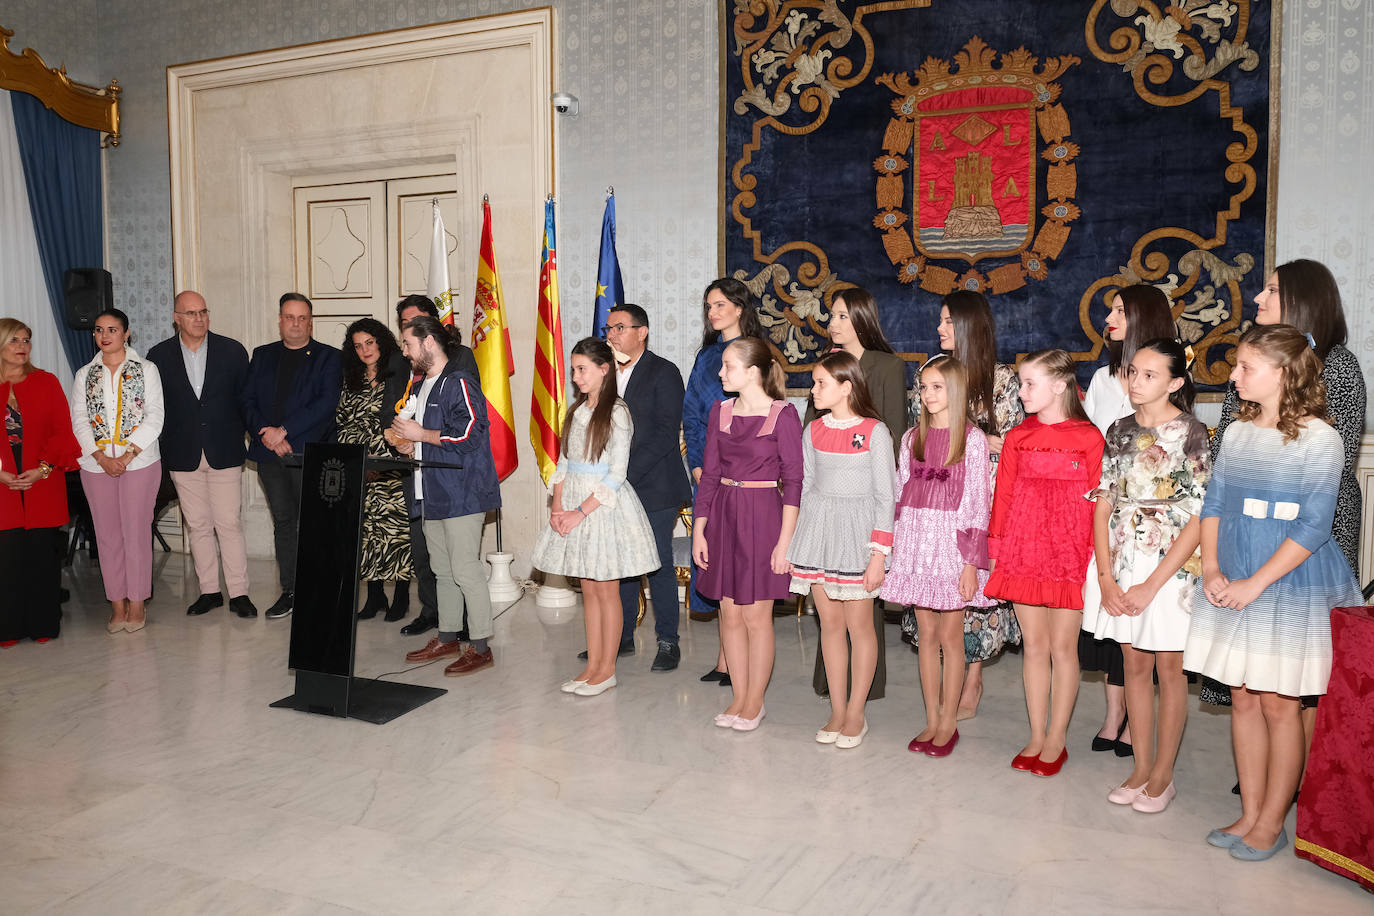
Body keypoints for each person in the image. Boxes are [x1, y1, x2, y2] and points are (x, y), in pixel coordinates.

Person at [1184, 324, 1361, 861]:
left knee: (1280, 702)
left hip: (1286, 578)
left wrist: (1255, 583)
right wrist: (1212, 568)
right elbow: (1213, 504)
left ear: (1283, 373)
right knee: (1242, 696)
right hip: (1232, 565)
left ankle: (1272, 820)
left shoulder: (1320, 438)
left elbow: (1313, 527)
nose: (1233, 376)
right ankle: (1250, 809)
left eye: (1245, 367)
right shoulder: (1235, 432)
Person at [1082, 339, 1210, 813]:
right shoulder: (1118, 430)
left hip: (1170, 566)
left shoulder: (1193, 434)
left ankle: (1162, 775)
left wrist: (1151, 584)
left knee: (1169, 670)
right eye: (1133, 372)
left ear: (1176, 382)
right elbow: (1103, 502)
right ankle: (1139, 765)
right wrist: (1107, 578)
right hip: (1122, 558)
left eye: (1149, 375)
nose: (1136, 382)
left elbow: (1199, 515)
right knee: (1132, 662)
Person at [985, 349, 1104, 777]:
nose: (1021, 391)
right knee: (1033, 648)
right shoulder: (1018, 437)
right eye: (1020, 383)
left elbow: (1099, 506)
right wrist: (996, 549)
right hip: (1024, 550)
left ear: (1060, 386)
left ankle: (1057, 737)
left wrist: (1095, 561)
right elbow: (1004, 498)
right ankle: (1036, 734)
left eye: (1029, 383)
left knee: (1062, 649)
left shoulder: (1090, 439)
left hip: (1071, 555)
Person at [1079, 284, 1178, 758]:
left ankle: (1140, 724)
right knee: (1108, 618)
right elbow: (1094, 445)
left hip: (1151, 528)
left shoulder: (1173, 383)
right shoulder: (1101, 379)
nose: (1109, 319)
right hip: (1102, 512)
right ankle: (1115, 713)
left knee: (1145, 628)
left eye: (1120, 311)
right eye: (1110, 311)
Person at [532, 338, 660, 696]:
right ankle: (591, 666)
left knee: (606, 591)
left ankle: (607, 669)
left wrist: (578, 512)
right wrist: (558, 507)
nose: (576, 376)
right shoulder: (576, 411)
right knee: (587, 590)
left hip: (600, 507)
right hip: (572, 501)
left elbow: (616, 474)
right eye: (574, 370)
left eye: (582, 369)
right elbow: (563, 464)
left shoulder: (617, 412)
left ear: (604, 369)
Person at [882, 355, 993, 758]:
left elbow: (979, 503)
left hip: (951, 548)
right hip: (916, 545)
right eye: (923, 387)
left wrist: (970, 563)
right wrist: (892, 549)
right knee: (924, 635)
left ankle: (949, 720)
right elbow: (899, 496)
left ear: (956, 390)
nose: (928, 395)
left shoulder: (973, 440)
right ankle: (930, 718)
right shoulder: (912, 438)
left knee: (951, 635)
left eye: (937, 387)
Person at [692, 337, 803, 731]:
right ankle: (738, 696)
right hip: (724, 516)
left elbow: (794, 482)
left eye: (727, 366)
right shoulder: (719, 412)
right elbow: (708, 478)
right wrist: (699, 531)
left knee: (757, 616)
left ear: (753, 372)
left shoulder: (784, 414)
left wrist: (785, 542)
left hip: (764, 519)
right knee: (730, 614)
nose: (720, 373)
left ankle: (755, 701)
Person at [805, 287, 908, 705]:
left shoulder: (886, 365)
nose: (834, 322)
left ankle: (862, 695)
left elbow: (895, 431)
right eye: (833, 315)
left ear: (861, 318)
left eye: (843, 315)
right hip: (828, 502)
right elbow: (813, 434)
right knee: (831, 614)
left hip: (866, 494)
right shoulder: (825, 372)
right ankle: (833, 687)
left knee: (862, 615)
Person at [788, 351, 896, 748]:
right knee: (829, 626)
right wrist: (799, 540)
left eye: (821, 383)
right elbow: (809, 485)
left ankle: (856, 711)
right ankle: (836, 708)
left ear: (846, 386)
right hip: (821, 536)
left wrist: (879, 554)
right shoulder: (813, 430)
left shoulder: (874, 431)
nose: (813, 390)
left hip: (859, 539)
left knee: (860, 627)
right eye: (814, 383)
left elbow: (887, 496)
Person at [927, 290, 1024, 719]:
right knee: (942, 588)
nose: (940, 328)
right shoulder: (932, 373)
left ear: (968, 326)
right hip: (936, 498)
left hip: (982, 496)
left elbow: (1017, 445)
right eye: (941, 320)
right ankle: (946, 674)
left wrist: (979, 440)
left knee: (972, 588)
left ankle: (972, 675)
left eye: (948, 321)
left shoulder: (1001, 380)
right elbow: (922, 434)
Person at [392, 315, 501, 676]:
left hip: (461, 492)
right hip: (431, 491)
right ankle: (448, 636)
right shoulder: (423, 385)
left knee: (466, 569)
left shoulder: (460, 382)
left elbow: (469, 435)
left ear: (427, 342)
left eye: (408, 343)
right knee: (442, 570)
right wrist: (411, 446)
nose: (405, 351)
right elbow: (429, 438)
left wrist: (421, 434)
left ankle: (481, 646)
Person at [146, 291, 256, 618]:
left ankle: (239, 593)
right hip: (183, 453)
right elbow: (156, 407)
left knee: (229, 524)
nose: (199, 318)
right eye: (191, 313)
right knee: (197, 526)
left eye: (203, 312)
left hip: (224, 449)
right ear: (176, 318)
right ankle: (209, 591)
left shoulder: (232, 351)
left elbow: (246, 400)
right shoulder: (159, 356)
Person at [683, 278, 766, 684]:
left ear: (738, 307)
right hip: (710, 473)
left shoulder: (759, 353)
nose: (712, 312)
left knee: (742, 565)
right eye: (708, 306)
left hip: (748, 476)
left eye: (719, 305)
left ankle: (741, 663)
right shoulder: (705, 359)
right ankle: (724, 658)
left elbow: (768, 411)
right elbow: (693, 417)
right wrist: (699, 467)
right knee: (716, 563)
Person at [241, 293, 341, 619]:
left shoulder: (329, 357)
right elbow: (247, 402)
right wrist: (267, 434)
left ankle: (318, 589)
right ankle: (291, 590)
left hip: (308, 453)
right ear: (280, 320)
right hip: (270, 455)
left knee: (314, 524)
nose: (295, 324)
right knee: (284, 522)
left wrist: (283, 431)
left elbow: (325, 405)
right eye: (289, 317)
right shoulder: (263, 354)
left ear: (310, 322)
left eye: (301, 318)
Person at [604, 304, 692, 671]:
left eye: (620, 328)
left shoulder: (663, 371)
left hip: (653, 484)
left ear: (642, 332)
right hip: (614, 485)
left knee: (656, 563)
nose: (611, 335)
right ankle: (622, 637)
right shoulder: (605, 373)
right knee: (622, 563)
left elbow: (664, 434)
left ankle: (668, 641)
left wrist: (623, 474)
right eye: (608, 328)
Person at [70, 308, 165, 633]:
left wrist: (125, 456)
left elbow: (155, 417)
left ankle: (137, 603)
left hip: (139, 462)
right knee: (107, 536)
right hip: (95, 465)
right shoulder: (85, 374)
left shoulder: (146, 369)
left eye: (112, 329)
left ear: (126, 333)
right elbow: (79, 420)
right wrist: (100, 456)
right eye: (99, 330)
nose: (104, 335)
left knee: (135, 533)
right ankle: (117, 604)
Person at [391, 294, 479, 638]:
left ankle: (472, 632)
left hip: (450, 477)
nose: (406, 341)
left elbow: (466, 423)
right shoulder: (406, 366)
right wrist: (397, 434)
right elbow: (396, 410)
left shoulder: (458, 363)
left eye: (414, 325)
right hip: (417, 476)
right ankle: (437, 618)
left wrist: (421, 433)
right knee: (426, 555)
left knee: (461, 563)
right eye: (403, 326)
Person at [0, 319, 80, 645]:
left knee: (41, 558)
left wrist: (43, 469)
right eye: (14, 340)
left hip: (42, 482)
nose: (23, 346)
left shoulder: (45, 382)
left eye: (27, 340)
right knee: (7, 560)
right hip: (3, 484)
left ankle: (43, 624)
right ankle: (7, 628)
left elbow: (63, 432)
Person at [337, 318, 413, 621]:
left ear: (381, 341)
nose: (364, 350)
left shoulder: (397, 373)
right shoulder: (351, 378)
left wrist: (380, 458)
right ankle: (374, 595)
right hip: (360, 466)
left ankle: (403, 596)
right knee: (366, 534)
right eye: (358, 345)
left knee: (396, 533)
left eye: (369, 342)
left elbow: (401, 420)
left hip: (390, 464)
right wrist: (357, 458)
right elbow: (342, 420)